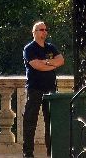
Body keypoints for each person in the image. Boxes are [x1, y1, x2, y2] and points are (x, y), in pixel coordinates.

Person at [22, 20, 64, 158]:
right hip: (35, 89)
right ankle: (28, 154)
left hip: (50, 90)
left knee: (50, 123)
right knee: (30, 122)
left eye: (45, 30)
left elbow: (61, 61)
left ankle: (50, 153)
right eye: (41, 30)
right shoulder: (29, 48)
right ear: (34, 32)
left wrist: (46, 63)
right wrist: (51, 65)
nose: (44, 32)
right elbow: (36, 66)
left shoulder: (51, 47)